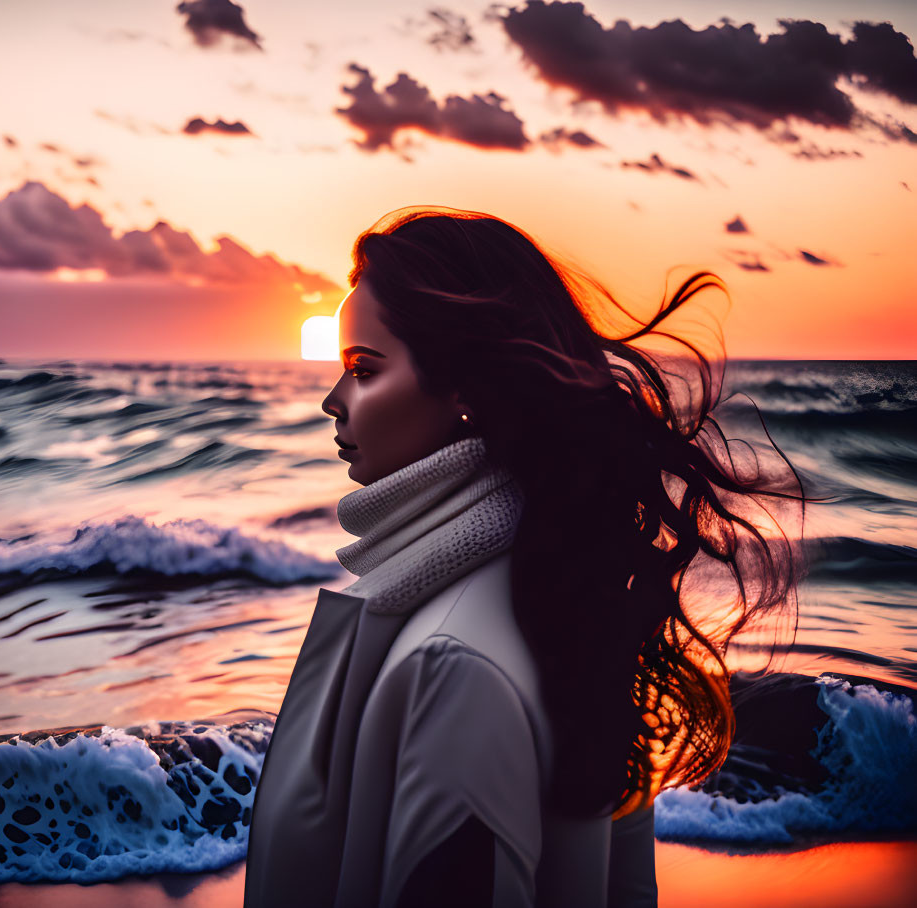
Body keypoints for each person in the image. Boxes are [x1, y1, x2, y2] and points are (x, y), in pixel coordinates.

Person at [243, 207, 803, 907]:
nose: (333, 401)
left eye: (363, 369)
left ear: (465, 390)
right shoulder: (563, 597)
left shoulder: (451, 666)